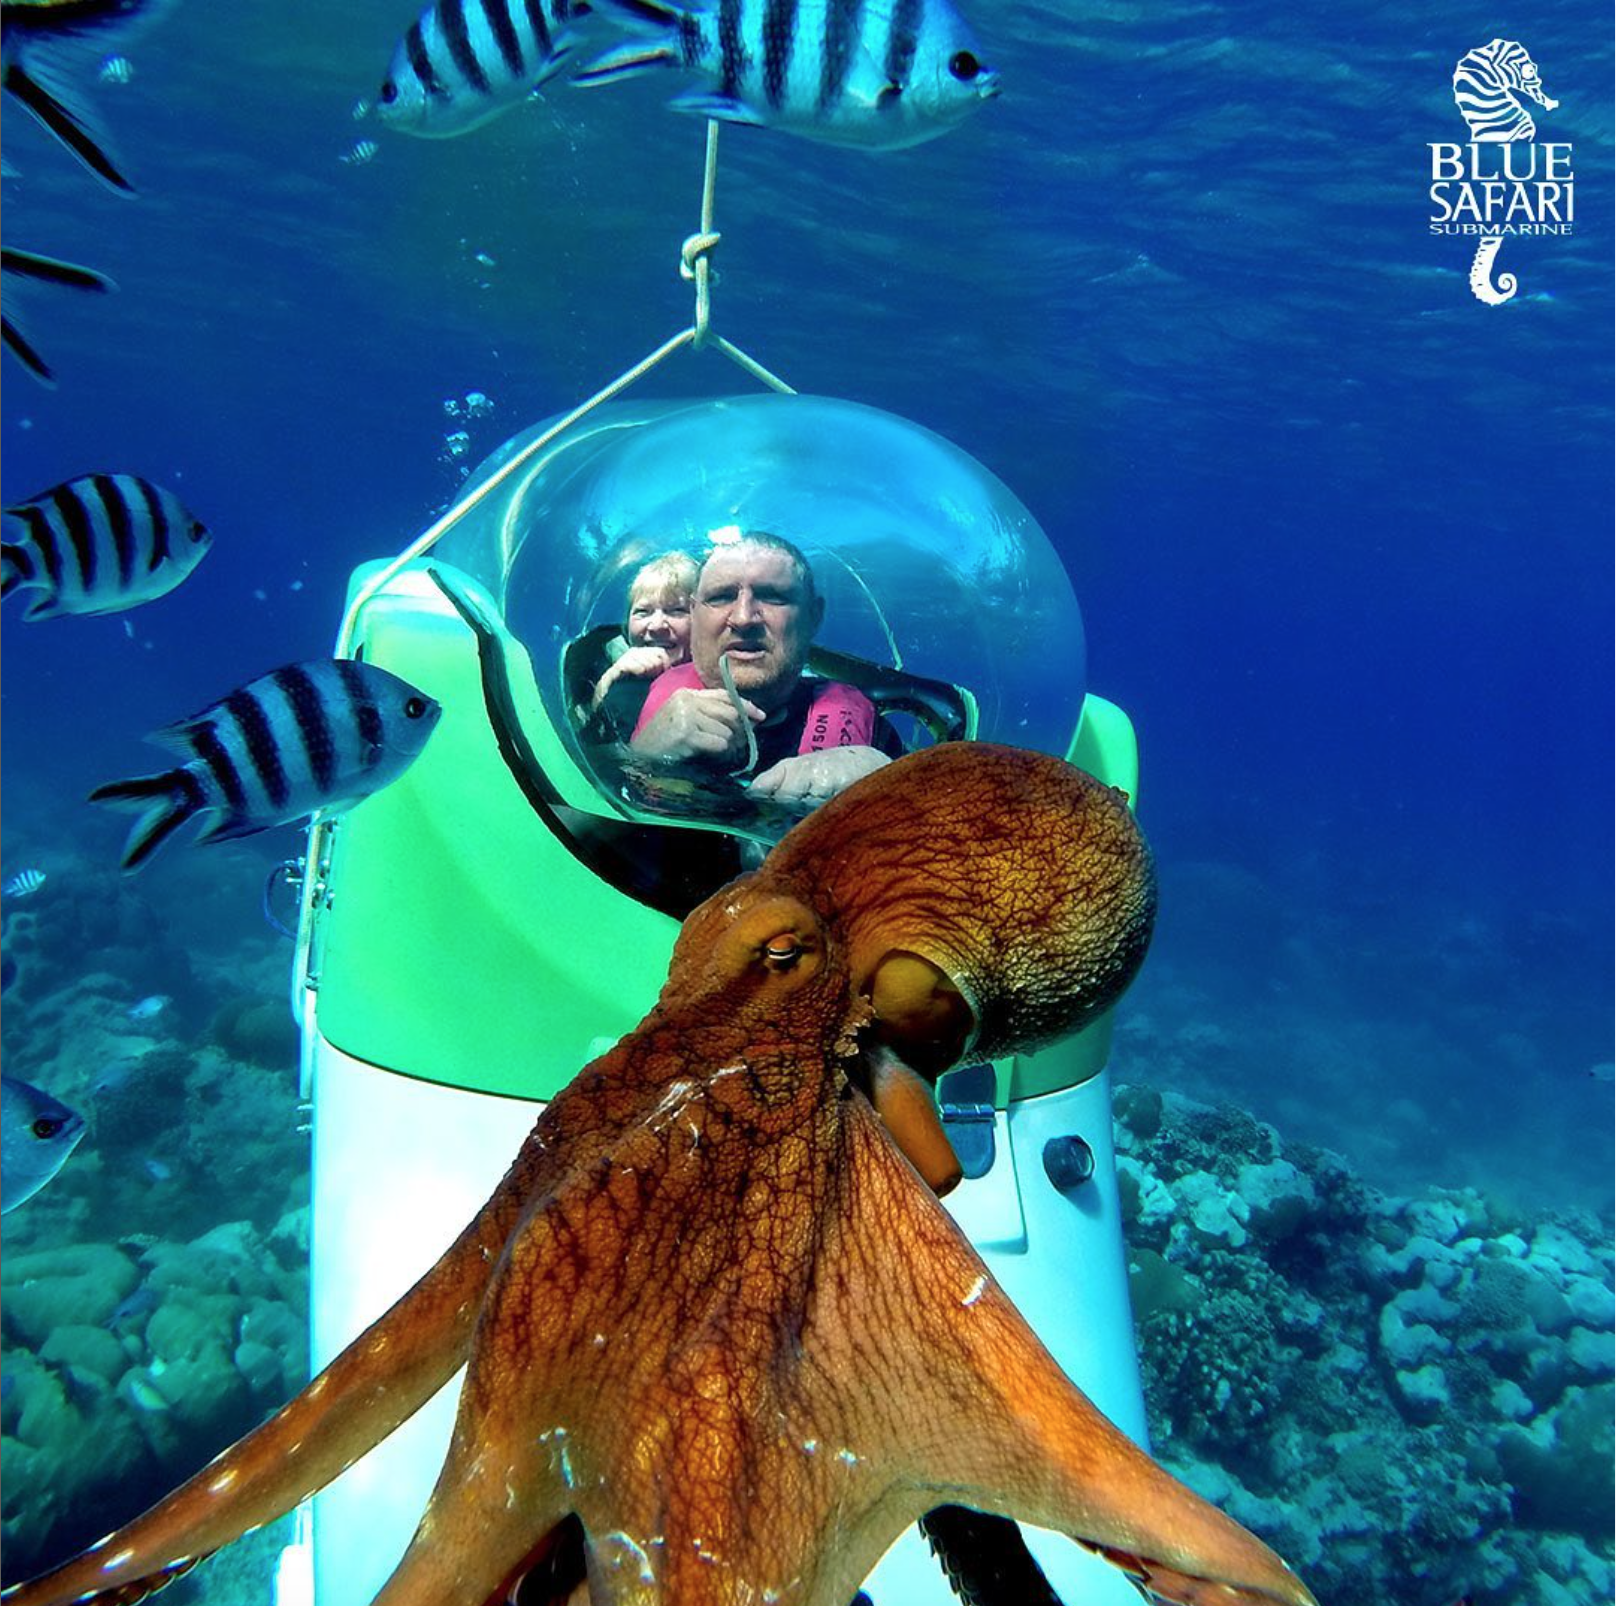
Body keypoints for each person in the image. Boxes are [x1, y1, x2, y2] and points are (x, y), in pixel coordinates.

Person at [629, 532, 901, 805]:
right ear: (694, 612)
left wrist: (889, 785)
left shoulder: (874, 734)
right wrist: (640, 757)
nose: (744, 618)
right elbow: (584, 827)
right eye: (721, 597)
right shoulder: (627, 696)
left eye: (772, 597)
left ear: (814, 616)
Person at [577, 552, 698, 744]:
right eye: (643, 612)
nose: (657, 625)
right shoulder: (593, 659)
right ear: (626, 625)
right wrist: (606, 683)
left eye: (676, 610)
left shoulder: (729, 671)